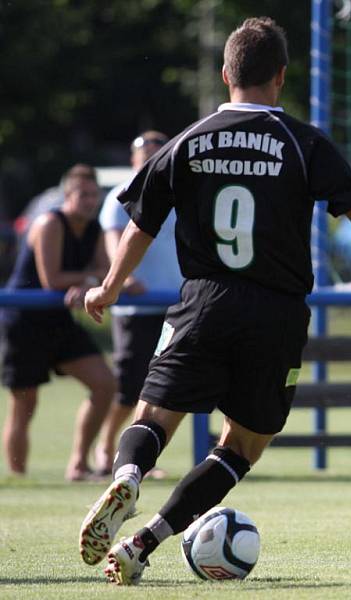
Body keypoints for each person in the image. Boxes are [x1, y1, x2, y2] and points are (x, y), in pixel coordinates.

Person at [78, 18, 351, 585]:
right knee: (243, 446)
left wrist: (108, 286)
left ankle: (130, 473)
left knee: (154, 417)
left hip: (203, 302)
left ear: (227, 73)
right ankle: (144, 540)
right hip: (277, 312)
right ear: (280, 77)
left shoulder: (188, 140)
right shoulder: (302, 142)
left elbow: (141, 225)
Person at [1, 164, 115, 481]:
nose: (90, 201)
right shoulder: (50, 222)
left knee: (105, 384)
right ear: (68, 195)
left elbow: (106, 275)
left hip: (59, 321)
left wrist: (89, 281)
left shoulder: (96, 230)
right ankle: (18, 478)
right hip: (24, 320)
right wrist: (89, 278)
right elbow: (52, 279)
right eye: (83, 194)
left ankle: (78, 465)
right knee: (25, 403)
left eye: (94, 195)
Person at [94, 131, 182, 476]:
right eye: (145, 150)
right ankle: (106, 449)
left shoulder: (177, 190)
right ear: (133, 157)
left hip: (173, 306)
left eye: (158, 150)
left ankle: (138, 460)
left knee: (161, 389)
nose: (151, 155)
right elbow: (115, 240)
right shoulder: (123, 193)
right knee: (129, 389)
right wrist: (122, 279)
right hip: (136, 307)